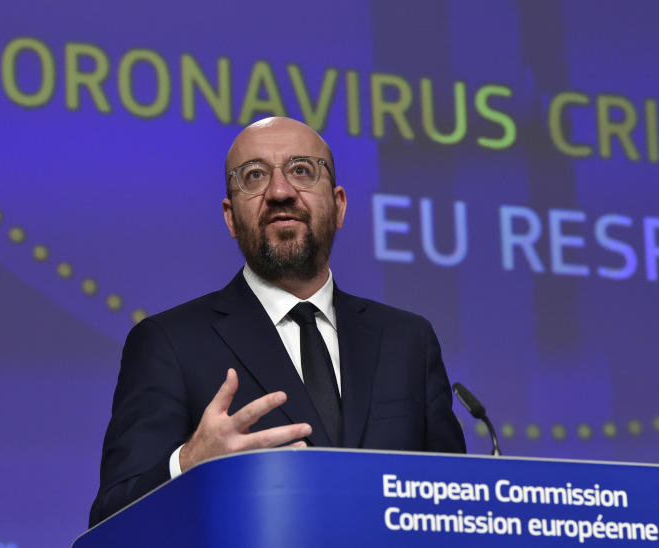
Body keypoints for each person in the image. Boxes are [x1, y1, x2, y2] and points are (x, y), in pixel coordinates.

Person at [89, 117, 466, 527]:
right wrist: (188, 465)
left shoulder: (408, 341)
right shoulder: (169, 344)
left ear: (339, 205)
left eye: (302, 170)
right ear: (231, 218)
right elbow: (110, 521)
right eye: (254, 176)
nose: (280, 192)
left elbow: (457, 512)